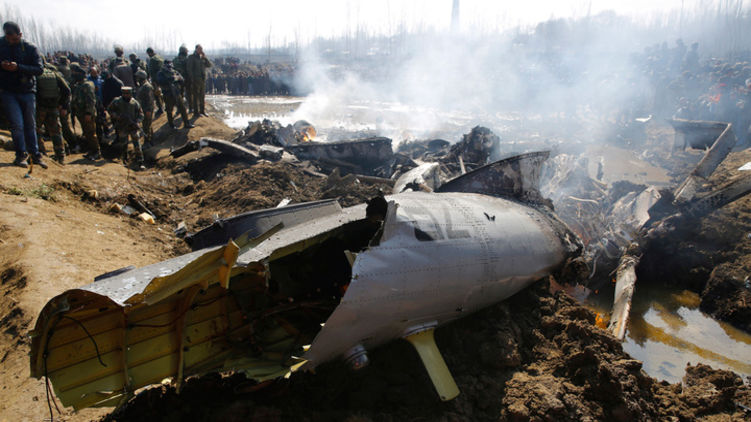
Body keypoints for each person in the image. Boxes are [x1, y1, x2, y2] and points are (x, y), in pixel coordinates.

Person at [0, 21, 46, 168]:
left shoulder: (30, 48)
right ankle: (20, 155)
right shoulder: (1, 45)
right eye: (8, 39)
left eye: (14, 39)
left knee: (30, 124)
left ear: (20, 35)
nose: (11, 42)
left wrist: (18, 67)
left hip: (27, 91)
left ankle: (35, 154)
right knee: (17, 124)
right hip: (8, 91)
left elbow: (39, 69)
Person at [35, 60, 70, 163]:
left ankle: (41, 153)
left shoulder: (35, 74)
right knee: (56, 132)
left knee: (36, 130)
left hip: (40, 107)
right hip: (54, 107)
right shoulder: (54, 74)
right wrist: (62, 104)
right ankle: (61, 156)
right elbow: (66, 90)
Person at [108, 86, 145, 169]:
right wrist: (117, 116)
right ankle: (124, 159)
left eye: (128, 93)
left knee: (137, 144)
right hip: (122, 126)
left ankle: (140, 161)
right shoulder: (117, 101)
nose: (126, 95)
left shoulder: (135, 103)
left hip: (133, 127)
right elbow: (110, 110)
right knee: (123, 144)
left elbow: (141, 114)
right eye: (124, 93)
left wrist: (137, 122)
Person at [70, 62, 101, 160]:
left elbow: (91, 100)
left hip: (87, 114)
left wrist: (88, 113)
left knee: (91, 133)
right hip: (81, 113)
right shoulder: (79, 85)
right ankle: (91, 150)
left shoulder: (87, 85)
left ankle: (96, 152)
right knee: (86, 133)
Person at [156, 60, 193, 129]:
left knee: (182, 108)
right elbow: (161, 81)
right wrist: (172, 78)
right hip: (168, 94)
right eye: (168, 66)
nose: (169, 67)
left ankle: (186, 123)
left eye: (170, 66)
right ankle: (171, 125)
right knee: (169, 110)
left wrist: (178, 79)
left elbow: (182, 80)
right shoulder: (161, 73)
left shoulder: (175, 72)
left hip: (176, 93)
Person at [186, 44, 212, 117]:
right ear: (196, 49)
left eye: (201, 49)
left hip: (202, 80)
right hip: (195, 79)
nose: (201, 50)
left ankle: (202, 111)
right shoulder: (191, 57)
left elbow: (209, 65)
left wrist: (205, 57)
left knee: (202, 96)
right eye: (200, 49)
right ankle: (196, 112)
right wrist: (192, 79)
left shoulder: (202, 58)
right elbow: (189, 69)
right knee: (195, 96)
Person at [135, 69, 154, 146]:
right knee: (147, 125)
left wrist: (148, 110)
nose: (137, 78)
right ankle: (150, 140)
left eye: (138, 77)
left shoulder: (147, 86)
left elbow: (150, 99)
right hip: (143, 109)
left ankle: (148, 142)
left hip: (147, 109)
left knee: (146, 126)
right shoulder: (142, 85)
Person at [145, 47, 164, 116]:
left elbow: (151, 71)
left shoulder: (152, 59)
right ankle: (163, 106)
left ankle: (160, 108)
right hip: (163, 78)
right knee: (162, 93)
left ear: (149, 53)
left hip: (156, 79)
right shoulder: (160, 57)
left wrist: (152, 80)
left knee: (156, 94)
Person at [173, 45, 191, 112]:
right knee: (188, 93)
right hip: (187, 79)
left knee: (179, 95)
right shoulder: (187, 59)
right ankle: (190, 108)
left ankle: (179, 109)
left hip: (178, 80)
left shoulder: (175, 60)